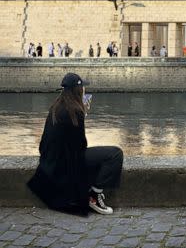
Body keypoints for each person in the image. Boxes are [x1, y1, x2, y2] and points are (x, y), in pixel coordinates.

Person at [27, 72, 123, 215]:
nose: (84, 89)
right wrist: (82, 115)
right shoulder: (74, 111)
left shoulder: (56, 107)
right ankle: (94, 196)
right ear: (77, 90)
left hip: (51, 161)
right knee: (115, 154)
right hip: (65, 164)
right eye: (82, 87)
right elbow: (80, 146)